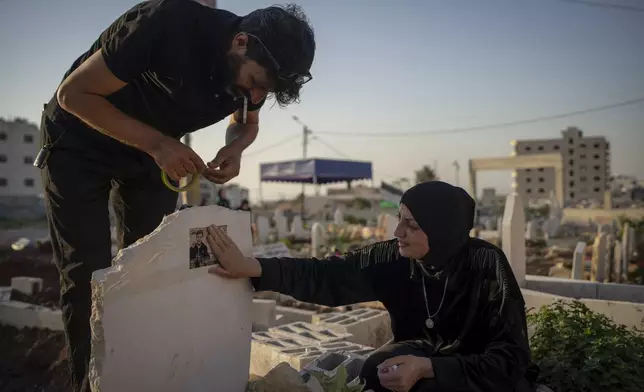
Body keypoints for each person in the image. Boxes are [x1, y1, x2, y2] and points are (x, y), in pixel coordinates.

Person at [37, 1, 315, 390]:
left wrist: (234, 149)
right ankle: (90, 383)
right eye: (254, 83)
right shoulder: (165, 24)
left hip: (152, 154)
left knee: (151, 269)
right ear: (240, 42)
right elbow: (73, 95)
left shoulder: (256, 75)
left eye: (264, 91)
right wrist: (158, 144)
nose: (254, 94)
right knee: (88, 273)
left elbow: (245, 124)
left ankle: (139, 374)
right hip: (80, 141)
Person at [204, 181, 540, 392]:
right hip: (422, 354)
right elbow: (327, 276)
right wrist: (255, 268)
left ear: (442, 230)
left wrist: (430, 368)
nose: (398, 233)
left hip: (479, 374)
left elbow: (511, 357)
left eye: (411, 225)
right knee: (375, 370)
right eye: (399, 220)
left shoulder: (487, 264)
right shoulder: (394, 258)